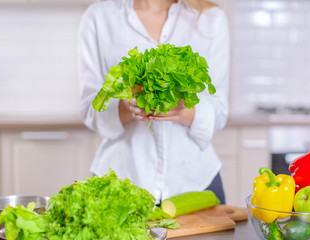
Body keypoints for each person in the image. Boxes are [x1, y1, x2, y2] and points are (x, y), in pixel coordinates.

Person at [78, 0, 230, 204]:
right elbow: (90, 108)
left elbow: (219, 111)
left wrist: (182, 109)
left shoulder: (211, 18)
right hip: (121, 186)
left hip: (195, 184)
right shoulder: (98, 17)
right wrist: (126, 106)